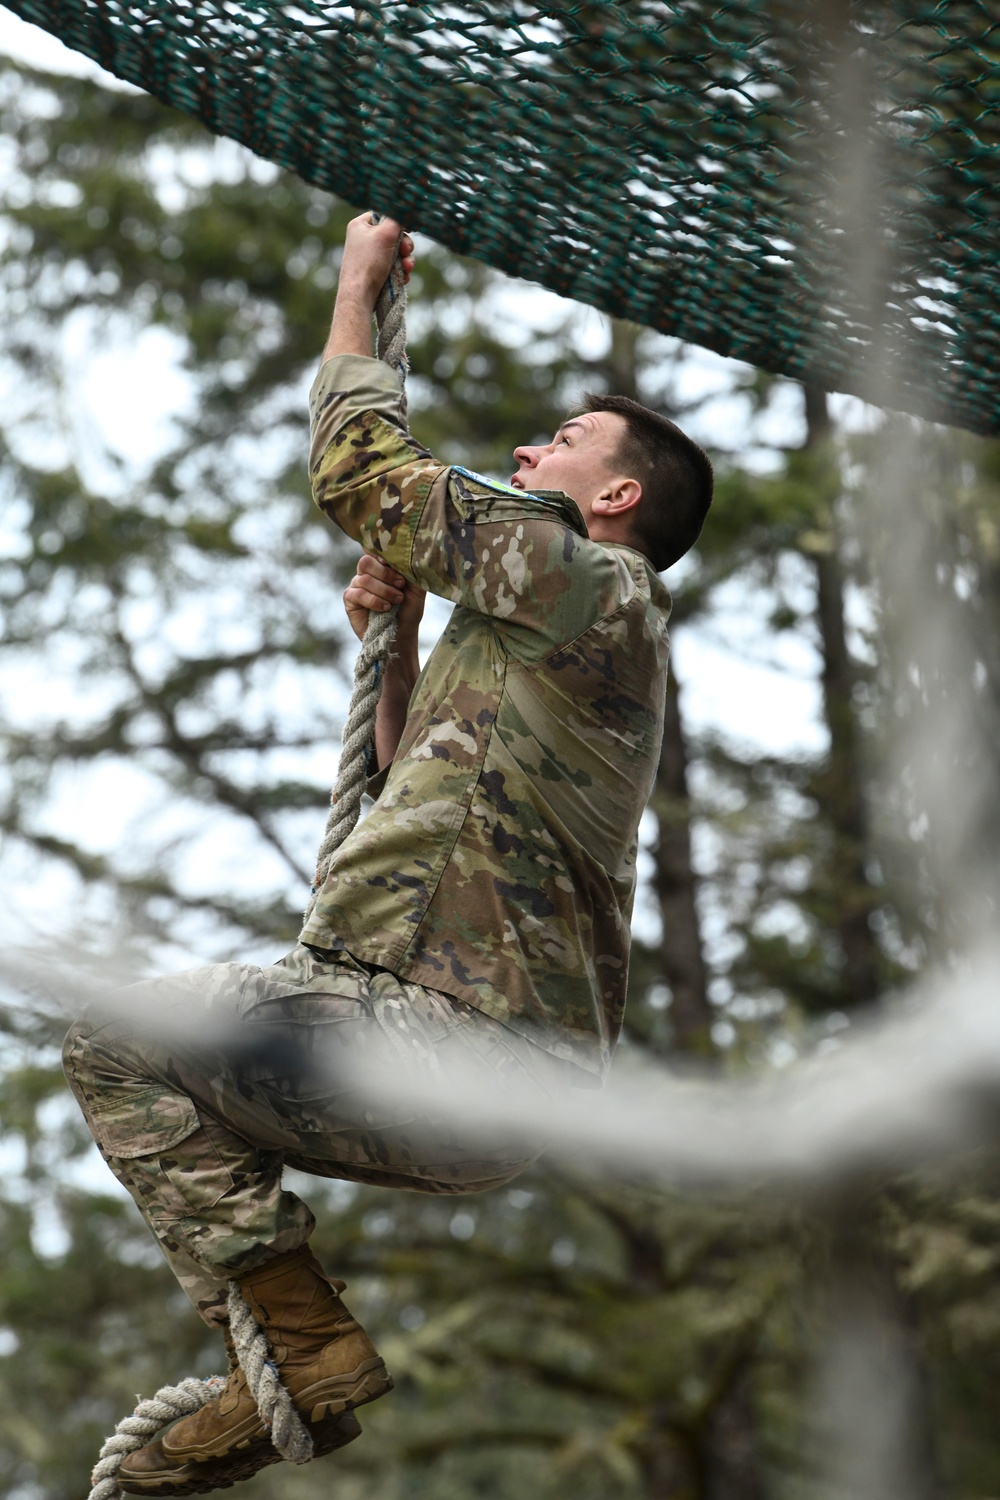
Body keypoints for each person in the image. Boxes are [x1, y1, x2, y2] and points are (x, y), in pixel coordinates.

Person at [62, 214, 713, 1495]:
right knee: (145, 1056)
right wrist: (401, 644)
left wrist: (359, 290)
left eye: (563, 444)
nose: (530, 451)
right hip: (458, 1070)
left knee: (119, 1032)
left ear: (616, 497)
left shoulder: (592, 583)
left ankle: (303, 1354)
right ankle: (296, 1355)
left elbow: (362, 470)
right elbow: (424, 791)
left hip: (448, 1040)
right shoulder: (546, 627)